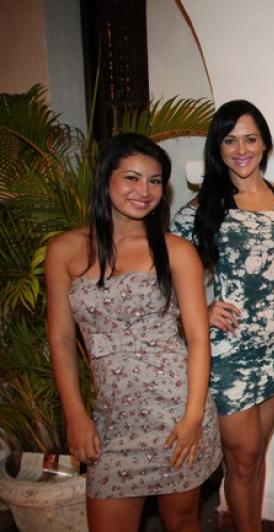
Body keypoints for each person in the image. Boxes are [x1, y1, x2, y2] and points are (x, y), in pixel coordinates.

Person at [45, 133, 222, 532]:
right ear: (105, 178)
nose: (144, 191)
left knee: (181, 522)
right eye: (132, 177)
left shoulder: (176, 251)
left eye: (155, 181)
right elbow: (60, 340)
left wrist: (193, 417)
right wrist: (75, 415)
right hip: (112, 419)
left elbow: (198, 339)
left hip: (175, 412)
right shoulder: (65, 250)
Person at [171, 100, 274, 532]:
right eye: (230, 140)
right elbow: (166, 280)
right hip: (227, 355)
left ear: (264, 144)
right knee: (242, 459)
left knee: (256, 457)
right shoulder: (200, 210)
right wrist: (200, 310)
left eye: (250, 139)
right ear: (217, 148)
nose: (241, 149)